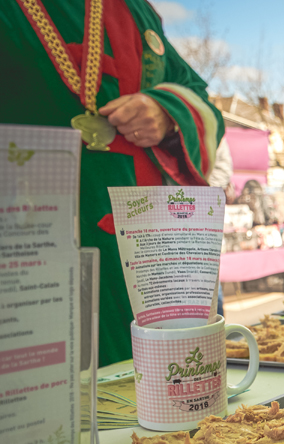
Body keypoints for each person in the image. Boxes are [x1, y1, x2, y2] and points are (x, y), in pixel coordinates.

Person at [1, 0, 224, 366]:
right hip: (28, 246)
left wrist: (166, 112)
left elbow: (199, 98)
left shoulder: (133, 8)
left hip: (142, 253)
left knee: (163, 397)